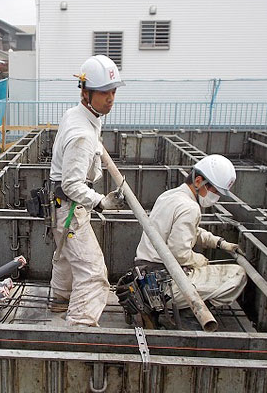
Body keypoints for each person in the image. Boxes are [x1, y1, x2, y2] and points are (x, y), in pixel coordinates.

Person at [49, 55, 126, 327]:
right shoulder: (82, 133)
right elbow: (71, 184)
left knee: (66, 255)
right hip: (71, 205)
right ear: (86, 92)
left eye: (114, 91)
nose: (111, 98)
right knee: (93, 272)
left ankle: (59, 299)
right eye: (105, 92)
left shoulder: (79, 114)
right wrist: (101, 202)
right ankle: (80, 328)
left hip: (62, 205)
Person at [133, 154, 247, 310]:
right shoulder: (190, 207)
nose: (217, 197)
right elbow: (179, 253)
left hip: (145, 277)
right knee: (237, 274)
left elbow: (190, 230)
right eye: (215, 191)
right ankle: (192, 310)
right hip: (164, 287)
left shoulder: (169, 196)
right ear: (199, 181)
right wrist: (200, 260)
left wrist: (219, 243)